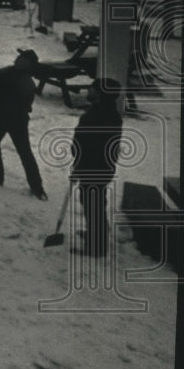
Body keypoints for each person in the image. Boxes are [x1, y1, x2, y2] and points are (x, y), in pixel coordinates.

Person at [0, 49, 47, 199]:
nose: (17, 58)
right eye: (19, 56)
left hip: (17, 120)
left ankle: (37, 188)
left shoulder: (26, 82)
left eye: (21, 57)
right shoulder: (5, 72)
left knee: (24, 152)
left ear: (27, 63)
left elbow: (20, 103)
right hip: (1, 116)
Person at [70, 78, 123, 257]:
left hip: (94, 167)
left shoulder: (96, 117)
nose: (88, 91)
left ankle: (97, 247)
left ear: (100, 94)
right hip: (100, 166)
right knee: (95, 201)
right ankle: (96, 233)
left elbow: (88, 144)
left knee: (93, 205)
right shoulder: (109, 113)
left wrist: (80, 162)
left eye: (92, 89)